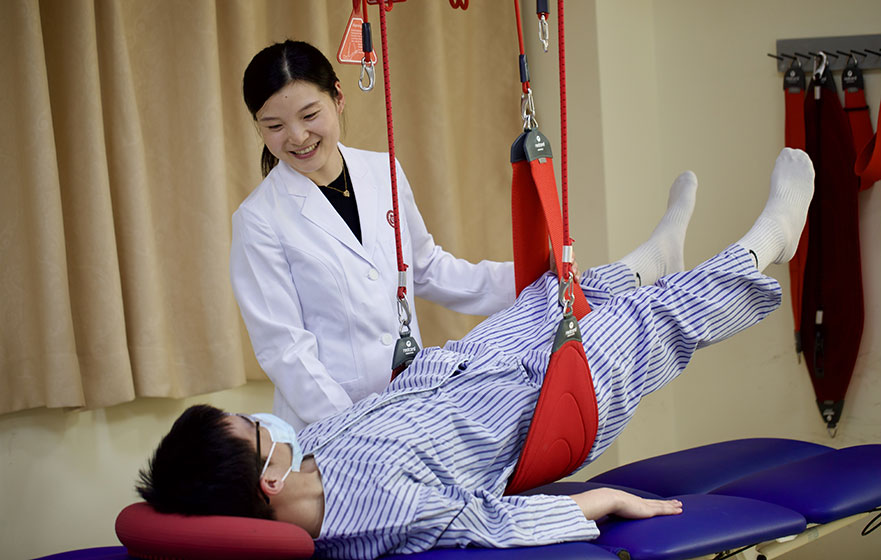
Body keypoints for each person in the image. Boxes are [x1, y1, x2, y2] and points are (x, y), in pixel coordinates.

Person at [140, 149, 814, 558]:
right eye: (261, 433)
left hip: (470, 370)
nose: (272, 426)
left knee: (552, 297)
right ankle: (766, 246)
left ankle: (651, 258)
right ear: (267, 483)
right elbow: (492, 523)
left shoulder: (304, 456)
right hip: (544, 412)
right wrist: (604, 499)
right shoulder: (375, 511)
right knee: (644, 322)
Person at [231, 40, 516, 431]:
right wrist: (353, 427)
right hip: (330, 424)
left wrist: (528, 276)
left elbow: (427, 270)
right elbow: (284, 349)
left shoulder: (383, 171)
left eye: (309, 115)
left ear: (338, 98)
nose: (297, 137)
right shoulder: (259, 219)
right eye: (275, 126)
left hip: (411, 405)